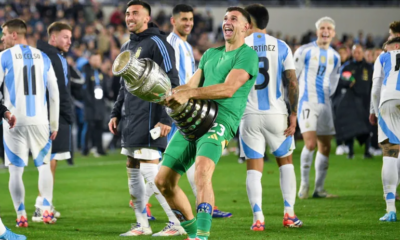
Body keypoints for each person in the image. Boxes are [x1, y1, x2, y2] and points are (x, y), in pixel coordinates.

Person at [155, 7, 259, 240]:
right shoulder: (211, 54)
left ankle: (202, 235)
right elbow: (191, 85)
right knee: (162, 181)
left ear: (246, 27)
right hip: (193, 118)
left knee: (202, 172)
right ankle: (193, 234)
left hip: (220, 121)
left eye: (234, 19)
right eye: (225, 18)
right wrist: (165, 93)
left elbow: (229, 88)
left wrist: (189, 95)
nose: (227, 22)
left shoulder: (247, 55)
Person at [108, 0, 184, 237]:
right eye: (128, 13)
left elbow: (172, 80)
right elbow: (123, 86)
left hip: (152, 115)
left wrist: (165, 118)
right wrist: (115, 112)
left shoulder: (158, 43)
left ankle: (176, 223)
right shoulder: (126, 47)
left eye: (135, 14)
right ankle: (142, 223)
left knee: (152, 173)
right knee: (132, 169)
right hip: (131, 117)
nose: (130, 17)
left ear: (146, 17)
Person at [165, 3, 232, 219]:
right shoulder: (170, 44)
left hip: (189, 107)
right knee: (168, 167)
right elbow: (171, 80)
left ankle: (206, 206)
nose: (188, 23)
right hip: (178, 108)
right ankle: (152, 208)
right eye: (184, 19)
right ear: (173, 21)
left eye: (191, 19)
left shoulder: (185, 45)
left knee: (192, 162)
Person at [239, 4, 302, 230]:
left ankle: (258, 218)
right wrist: (293, 115)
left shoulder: (239, 45)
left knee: (253, 167)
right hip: (277, 114)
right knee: (285, 162)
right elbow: (292, 82)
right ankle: (289, 215)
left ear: (249, 22)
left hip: (249, 115)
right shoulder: (282, 46)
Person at [0, 19, 59, 226]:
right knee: (44, 166)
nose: (2, 38)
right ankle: (46, 211)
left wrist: (4, 113)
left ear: (14, 35)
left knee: (16, 170)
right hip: (41, 122)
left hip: (13, 121)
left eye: (5, 33)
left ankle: (21, 215)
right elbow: (54, 91)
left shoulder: (3, 57)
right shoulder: (43, 57)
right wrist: (54, 123)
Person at [294, 16, 341, 199]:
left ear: (333, 33)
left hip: (324, 104)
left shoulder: (335, 56)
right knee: (310, 143)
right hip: (306, 102)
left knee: (326, 146)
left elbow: (334, 80)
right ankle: (304, 185)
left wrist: (328, 97)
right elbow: (292, 76)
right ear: (317, 31)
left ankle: (319, 189)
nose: (325, 31)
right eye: (322, 28)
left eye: (329, 28)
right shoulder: (304, 51)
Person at [36, 21, 74, 219]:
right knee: (49, 161)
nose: (70, 41)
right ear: (53, 37)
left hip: (45, 114)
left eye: (70, 37)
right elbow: (60, 91)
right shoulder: (54, 58)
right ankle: (43, 206)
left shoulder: (46, 55)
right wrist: (68, 115)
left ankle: (43, 203)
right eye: (65, 37)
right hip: (53, 116)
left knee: (49, 161)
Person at [370, 37, 400, 222]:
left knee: (390, 152)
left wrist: (374, 110)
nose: (383, 49)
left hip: (389, 100)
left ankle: (391, 209)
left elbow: (375, 88)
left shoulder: (383, 57)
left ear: (395, 46)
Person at [334, 44, 373, 159]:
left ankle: (367, 151)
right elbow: (340, 81)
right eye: (355, 52)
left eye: (359, 52)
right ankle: (351, 152)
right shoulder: (347, 67)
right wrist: (347, 83)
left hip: (365, 101)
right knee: (351, 126)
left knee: (367, 126)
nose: (357, 55)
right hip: (351, 102)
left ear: (363, 53)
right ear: (352, 53)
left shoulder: (369, 68)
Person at [82, 51, 107, 157]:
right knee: (89, 127)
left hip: (100, 103)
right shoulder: (86, 71)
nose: (97, 62)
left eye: (98, 60)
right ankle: (85, 149)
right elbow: (84, 88)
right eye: (95, 59)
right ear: (90, 60)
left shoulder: (101, 72)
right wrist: (90, 101)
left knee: (99, 126)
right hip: (90, 104)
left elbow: (104, 87)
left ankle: (99, 148)